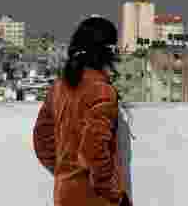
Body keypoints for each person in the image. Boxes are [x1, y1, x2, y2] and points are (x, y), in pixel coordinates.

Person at [34, 17, 131, 206]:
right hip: (95, 198)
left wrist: (66, 171)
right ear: (107, 51)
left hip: (64, 196)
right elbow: (93, 151)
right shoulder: (101, 90)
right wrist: (116, 196)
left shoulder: (59, 87)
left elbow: (42, 141)